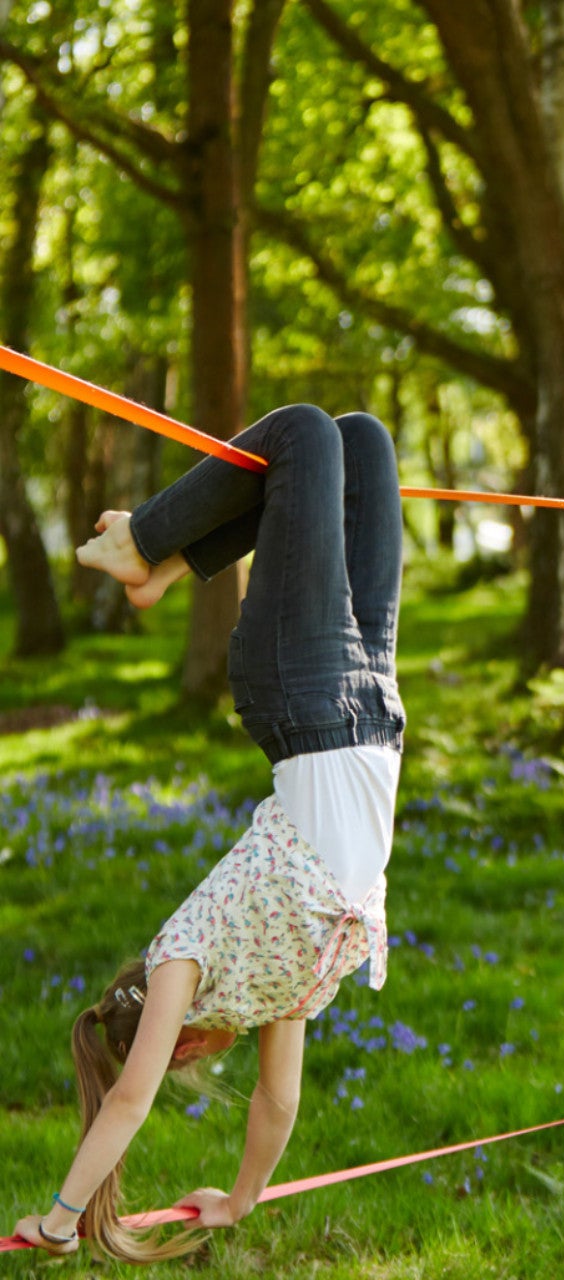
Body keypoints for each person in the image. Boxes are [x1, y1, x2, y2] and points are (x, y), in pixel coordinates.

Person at [12, 405, 405, 1261]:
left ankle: (142, 546)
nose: (201, 1062)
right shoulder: (286, 990)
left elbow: (127, 1102)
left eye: (189, 1062)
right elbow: (279, 1104)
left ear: (176, 1037)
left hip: (299, 699)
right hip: (375, 703)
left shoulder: (177, 966)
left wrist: (60, 1216)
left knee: (303, 435)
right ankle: (164, 563)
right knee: (362, 441)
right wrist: (236, 1201)